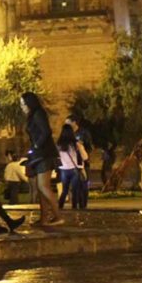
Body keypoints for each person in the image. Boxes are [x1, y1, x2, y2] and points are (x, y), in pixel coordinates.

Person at [20, 92, 63, 226]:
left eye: (23, 104)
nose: (22, 107)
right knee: (41, 188)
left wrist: (37, 145)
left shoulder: (38, 113)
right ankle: (44, 218)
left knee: (43, 186)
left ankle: (58, 216)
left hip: (44, 154)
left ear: (29, 103)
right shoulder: (33, 115)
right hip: (39, 155)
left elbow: (46, 131)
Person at [56, 124, 88, 210]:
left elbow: (57, 158)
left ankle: (60, 206)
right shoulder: (76, 144)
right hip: (74, 170)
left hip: (63, 170)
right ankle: (74, 207)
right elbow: (85, 157)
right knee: (75, 190)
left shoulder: (58, 145)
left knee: (64, 190)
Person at [66, 114, 93, 207]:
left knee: (83, 184)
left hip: (83, 162)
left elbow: (90, 147)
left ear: (74, 122)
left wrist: (82, 149)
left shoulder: (83, 133)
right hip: (71, 163)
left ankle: (83, 204)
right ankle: (74, 204)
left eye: (68, 123)